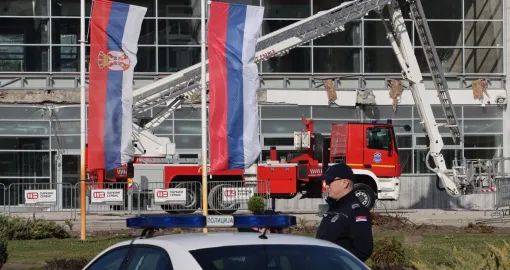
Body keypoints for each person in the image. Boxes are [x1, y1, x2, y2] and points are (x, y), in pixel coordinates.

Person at [315, 163, 373, 262]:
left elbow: (363, 250)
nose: (326, 186)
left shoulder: (356, 212)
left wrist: (336, 263)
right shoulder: (336, 207)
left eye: (329, 181)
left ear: (345, 183)